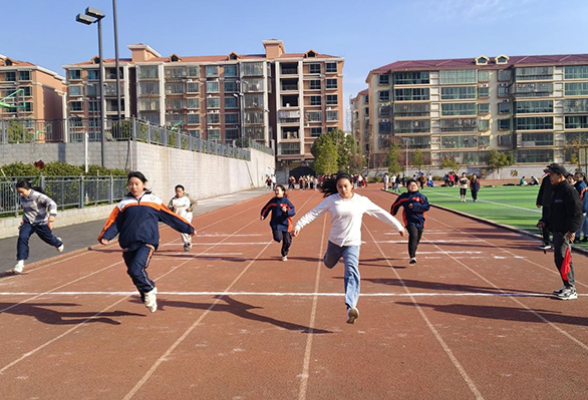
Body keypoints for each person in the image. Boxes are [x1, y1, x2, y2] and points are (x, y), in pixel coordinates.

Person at [293, 173, 406, 324]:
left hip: (352, 244)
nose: (343, 189)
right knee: (329, 263)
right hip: (334, 243)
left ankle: (350, 307)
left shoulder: (361, 201)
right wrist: (299, 225)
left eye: (345, 186)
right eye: (339, 186)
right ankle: (327, 257)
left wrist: (398, 226)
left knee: (352, 271)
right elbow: (314, 213)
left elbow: (380, 213)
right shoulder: (332, 200)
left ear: (352, 185)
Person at [98, 171, 195, 313]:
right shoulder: (124, 203)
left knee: (136, 269)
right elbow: (115, 222)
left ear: (144, 184)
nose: (133, 187)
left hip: (147, 242)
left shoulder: (153, 201)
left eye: (136, 184)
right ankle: (146, 295)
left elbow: (170, 216)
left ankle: (149, 288)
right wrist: (106, 236)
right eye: (130, 184)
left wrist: (188, 228)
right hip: (127, 244)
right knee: (134, 273)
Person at [537, 164, 582, 300]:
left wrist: (572, 230)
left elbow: (576, 213)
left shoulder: (569, 191)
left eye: (551, 175)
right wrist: (545, 221)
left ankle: (571, 288)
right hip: (557, 230)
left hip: (564, 232)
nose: (549, 177)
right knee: (559, 259)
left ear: (560, 176)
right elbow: (553, 212)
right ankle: (567, 285)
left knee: (564, 260)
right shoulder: (556, 191)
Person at [13, 180, 64, 274]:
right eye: (18, 192)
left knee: (49, 239)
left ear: (27, 189)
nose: (20, 194)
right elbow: (27, 211)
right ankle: (20, 263)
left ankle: (58, 243)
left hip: (41, 223)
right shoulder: (22, 197)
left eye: (21, 192)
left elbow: (52, 203)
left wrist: (52, 214)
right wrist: (24, 220)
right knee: (22, 237)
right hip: (28, 222)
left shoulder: (37, 196)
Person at [390, 179, 430, 264]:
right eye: (411, 185)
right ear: (407, 187)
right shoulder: (404, 197)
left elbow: (426, 206)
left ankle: (413, 249)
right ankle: (412, 256)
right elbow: (396, 204)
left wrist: (415, 206)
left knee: (417, 238)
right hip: (409, 220)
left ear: (417, 186)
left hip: (421, 221)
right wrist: (392, 213)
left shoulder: (421, 197)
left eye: (414, 185)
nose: (413, 187)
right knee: (413, 235)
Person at [260, 184, 296, 261]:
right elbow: (266, 208)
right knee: (278, 238)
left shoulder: (286, 202)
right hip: (276, 224)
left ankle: (284, 254)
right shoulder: (273, 201)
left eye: (278, 190)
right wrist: (263, 215)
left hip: (285, 224)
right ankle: (279, 235)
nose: (276, 192)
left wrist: (286, 211)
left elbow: (293, 211)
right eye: (275, 190)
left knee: (288, 241)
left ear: (283, 191)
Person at [168, 184, 197, 251]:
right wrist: (173, 208)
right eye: (176, 191)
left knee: (183, 230)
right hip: (179, 217)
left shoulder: (187, 198)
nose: (178, 193)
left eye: (179, 191)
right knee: (185, 231)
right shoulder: (173, 200)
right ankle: (189, 241)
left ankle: (186, 244)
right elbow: (168, 209)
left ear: (183, 191)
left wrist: (190, 208)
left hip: (187, 216)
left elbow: (195, 203)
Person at [536, 173, 553, 250]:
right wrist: (539, 201)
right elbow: (541, 190)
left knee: (556, 223)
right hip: (546, 205)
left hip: (555, 205)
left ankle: (556, 242)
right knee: (544, 222)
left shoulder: (559, 181)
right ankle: (546, 241)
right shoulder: (546, 179)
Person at [573, 172, 588, 243]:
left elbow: (581, 198)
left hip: (582, 207)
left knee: (580, 222)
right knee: (585, 222)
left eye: (577, 176)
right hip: (584, 206)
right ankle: (586, 235)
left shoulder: (581, 186)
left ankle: (577, 237)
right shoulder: (578, 185)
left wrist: (580, 207)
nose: (575, 178)